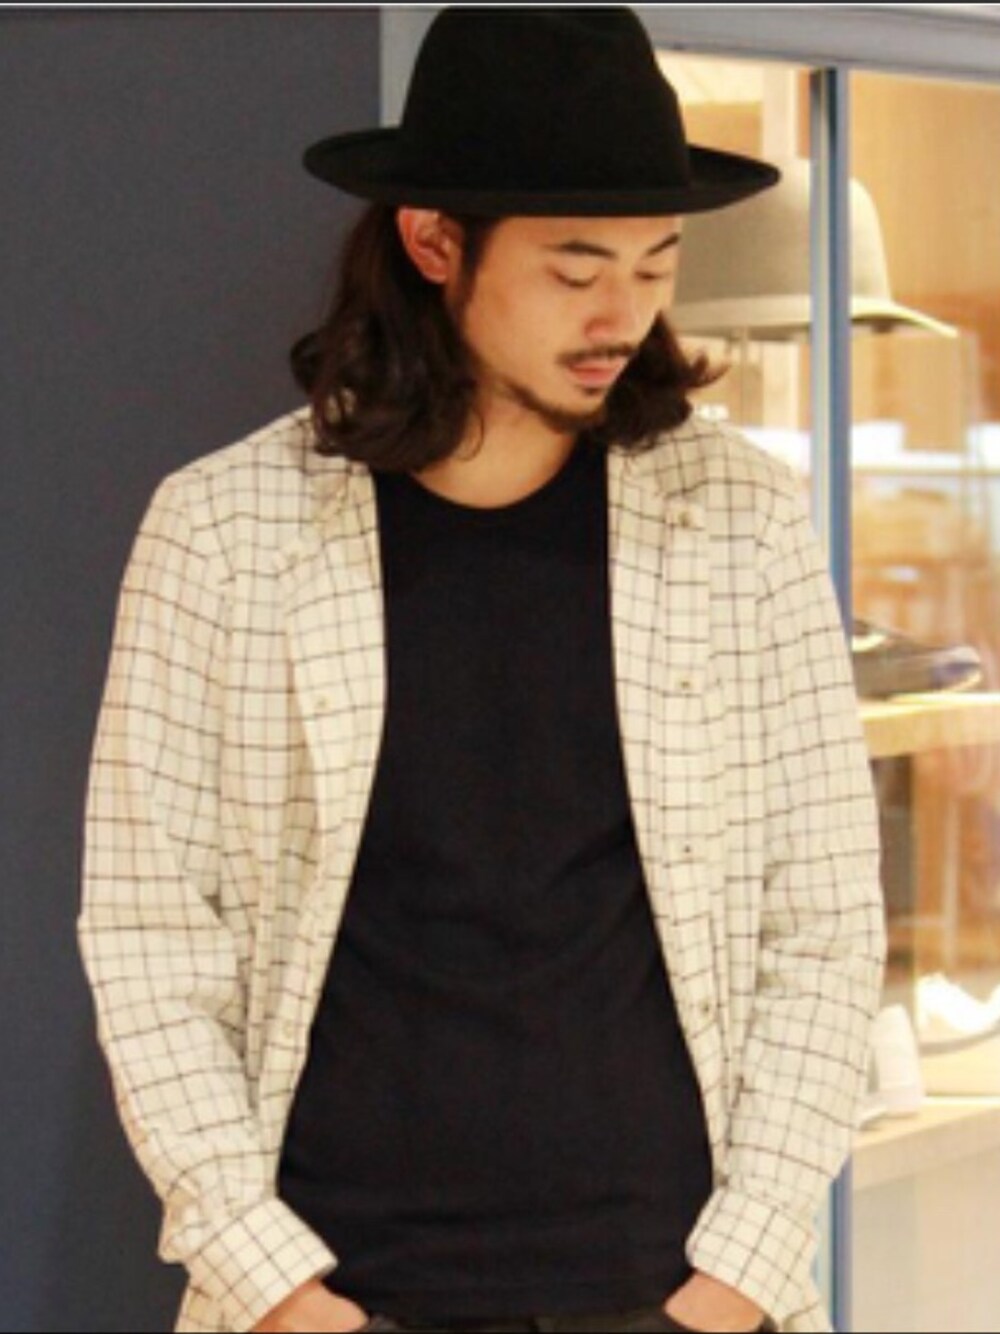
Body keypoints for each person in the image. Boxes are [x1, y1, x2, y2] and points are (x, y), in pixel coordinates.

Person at [78, 8, 886, 1334]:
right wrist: (275, 1288)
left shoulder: (738, 520)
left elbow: (827, 921)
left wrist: (734, 1282)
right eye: (575, 269)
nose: (623, 313)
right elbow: (150, 936)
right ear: (433, 241)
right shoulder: (225, 531)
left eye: (656, 264)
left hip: (665, 1286)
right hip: (343, 1288)